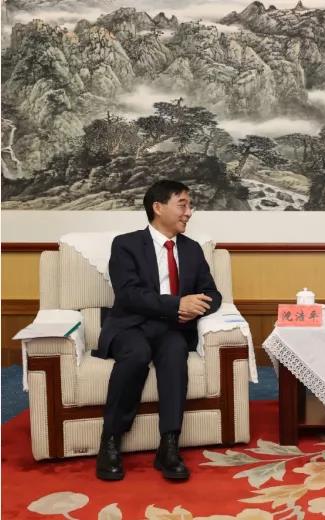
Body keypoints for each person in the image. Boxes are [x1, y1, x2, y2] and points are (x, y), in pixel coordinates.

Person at [95, 180, 222, 481]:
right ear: (158, 207)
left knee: (176, 352)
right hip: (131, 325)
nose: (189, 212)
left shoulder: (191, 250)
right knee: (136, 355)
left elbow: (213, 294)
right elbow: (129, 294)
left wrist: (195, 307)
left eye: (190, 206)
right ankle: (110, 441)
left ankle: (169, 445)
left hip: (171, 329)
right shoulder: (126, 245)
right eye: (182, 205)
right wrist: (177, 304)